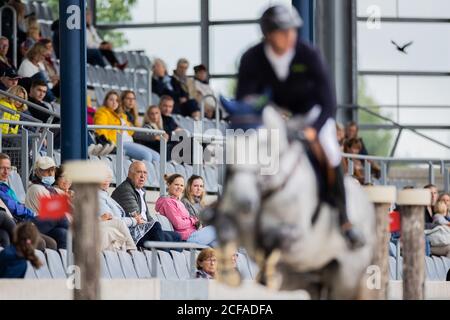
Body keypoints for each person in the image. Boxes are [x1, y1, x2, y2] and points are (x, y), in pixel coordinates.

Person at [235, 4, 363, 249]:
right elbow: (244, 98)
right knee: (245, 147)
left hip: (312, 113)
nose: (290, 36)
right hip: (275, 113)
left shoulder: (308, 54)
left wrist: (313, 128)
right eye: (283, 32)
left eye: (292, 31)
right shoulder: (252, 58)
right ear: (268, 34)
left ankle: (344, 220)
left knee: (331, 152)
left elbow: (328, 101)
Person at [111, 161, 181, 247]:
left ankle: (167, 256)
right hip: (134, 233)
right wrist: (153, 228)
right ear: (130, 174)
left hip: (144, 230)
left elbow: (147, 216)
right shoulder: (125, 190)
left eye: (145, 173)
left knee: (177, 236)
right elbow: (137, 219)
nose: (142, 176)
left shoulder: (141, 191)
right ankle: (162, 257)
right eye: (139, 172)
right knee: (157, 227)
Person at [93, 90, 160, 163]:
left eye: (116, 100)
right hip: (119, 143)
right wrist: (109, 142)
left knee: (157, 157)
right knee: (146, 156)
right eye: (111, 100)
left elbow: (132, 131)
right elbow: (101, 130)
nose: (114, 102)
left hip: (130, 142)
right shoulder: (102, 113)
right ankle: (140, 174)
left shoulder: (122, 115)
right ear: (106, 101)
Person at [155, 174, 216, 246]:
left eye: (181, 185)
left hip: (193, 233)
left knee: (219, 245)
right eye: (176, 184)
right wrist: (193, 220)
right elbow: (179, 224)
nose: (179, 187)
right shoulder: (168, 202)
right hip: (187, 238)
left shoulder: (178, 202)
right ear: (169, 185)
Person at [25, 156, 69, 249]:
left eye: (52, 170)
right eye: (46, 170)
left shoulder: (50, 189)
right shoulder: (35, 188)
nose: (50, 173)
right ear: (37, 172)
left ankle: (64, 261)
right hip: (36, 225)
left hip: (49, 226)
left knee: (62, 233)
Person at [97, 168, 138, 251]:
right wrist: (134, 221)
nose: (106, 180)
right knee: (118, 223)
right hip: (99, 224)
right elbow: (110, 218)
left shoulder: (105, 195)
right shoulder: (97, 195)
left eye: (108, 178)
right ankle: (133, 249)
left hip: (118, 225)